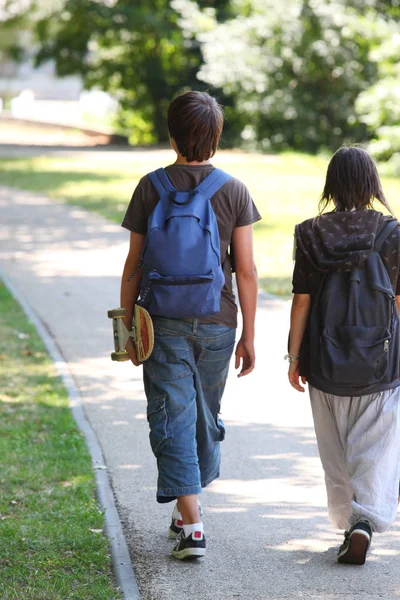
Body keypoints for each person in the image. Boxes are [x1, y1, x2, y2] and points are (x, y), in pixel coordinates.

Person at [120, 91, 260, 560]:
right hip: (219, 321)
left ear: (172, 132)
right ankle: (191, 515)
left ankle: (190, 521)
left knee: (174, 415)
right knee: (201, 414)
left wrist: (126, 328)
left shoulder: (150, 186)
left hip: (161, 321)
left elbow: (133, 265)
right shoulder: (233, 189)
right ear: (216, 137)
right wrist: (250, 335)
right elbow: (247, 270)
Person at [287, 146, 400, 565]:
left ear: (331, 184)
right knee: (376, 443)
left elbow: (302, 302)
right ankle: (364, 521)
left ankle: (348, 518)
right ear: (372, 183)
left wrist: (293, 357)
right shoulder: (392, 233)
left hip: (324, 360)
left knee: (334, 449)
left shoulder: (310, 232)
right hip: (380, 363)